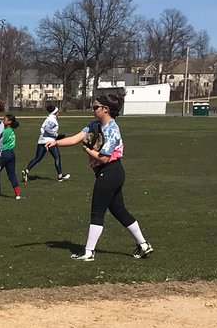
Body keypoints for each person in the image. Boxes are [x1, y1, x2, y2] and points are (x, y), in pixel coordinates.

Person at [53, 92, 153, 262]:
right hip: (109, 173)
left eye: (95, 107)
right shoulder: (94, 124)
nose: (93, 110)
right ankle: (143, 245)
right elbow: (77, 138)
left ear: (105, 109)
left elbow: (104, 157)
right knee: (120, 211)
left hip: (110, 171)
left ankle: (89, 252)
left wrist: (87, 150)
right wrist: (55, 142)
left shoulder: (112, 129)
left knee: (97, 211)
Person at [22, 102, 70, 183]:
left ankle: (26, 171)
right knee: (57, 157)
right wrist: (56, 135)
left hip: (41, 140)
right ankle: (60, 176)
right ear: (55, 112)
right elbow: (47, 129)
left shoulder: (48, 118)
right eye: (58, 112)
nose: (59, 113)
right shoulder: (52, 120)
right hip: (50, 141)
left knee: (38, 158)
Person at [0, 114, 21, 199]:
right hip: (11, 154)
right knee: (12, 174)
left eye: (4, 119)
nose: (2, 120)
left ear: (9, 122)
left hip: (4, 154)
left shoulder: (5, 131)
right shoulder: (11, 130)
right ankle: (17, 194)